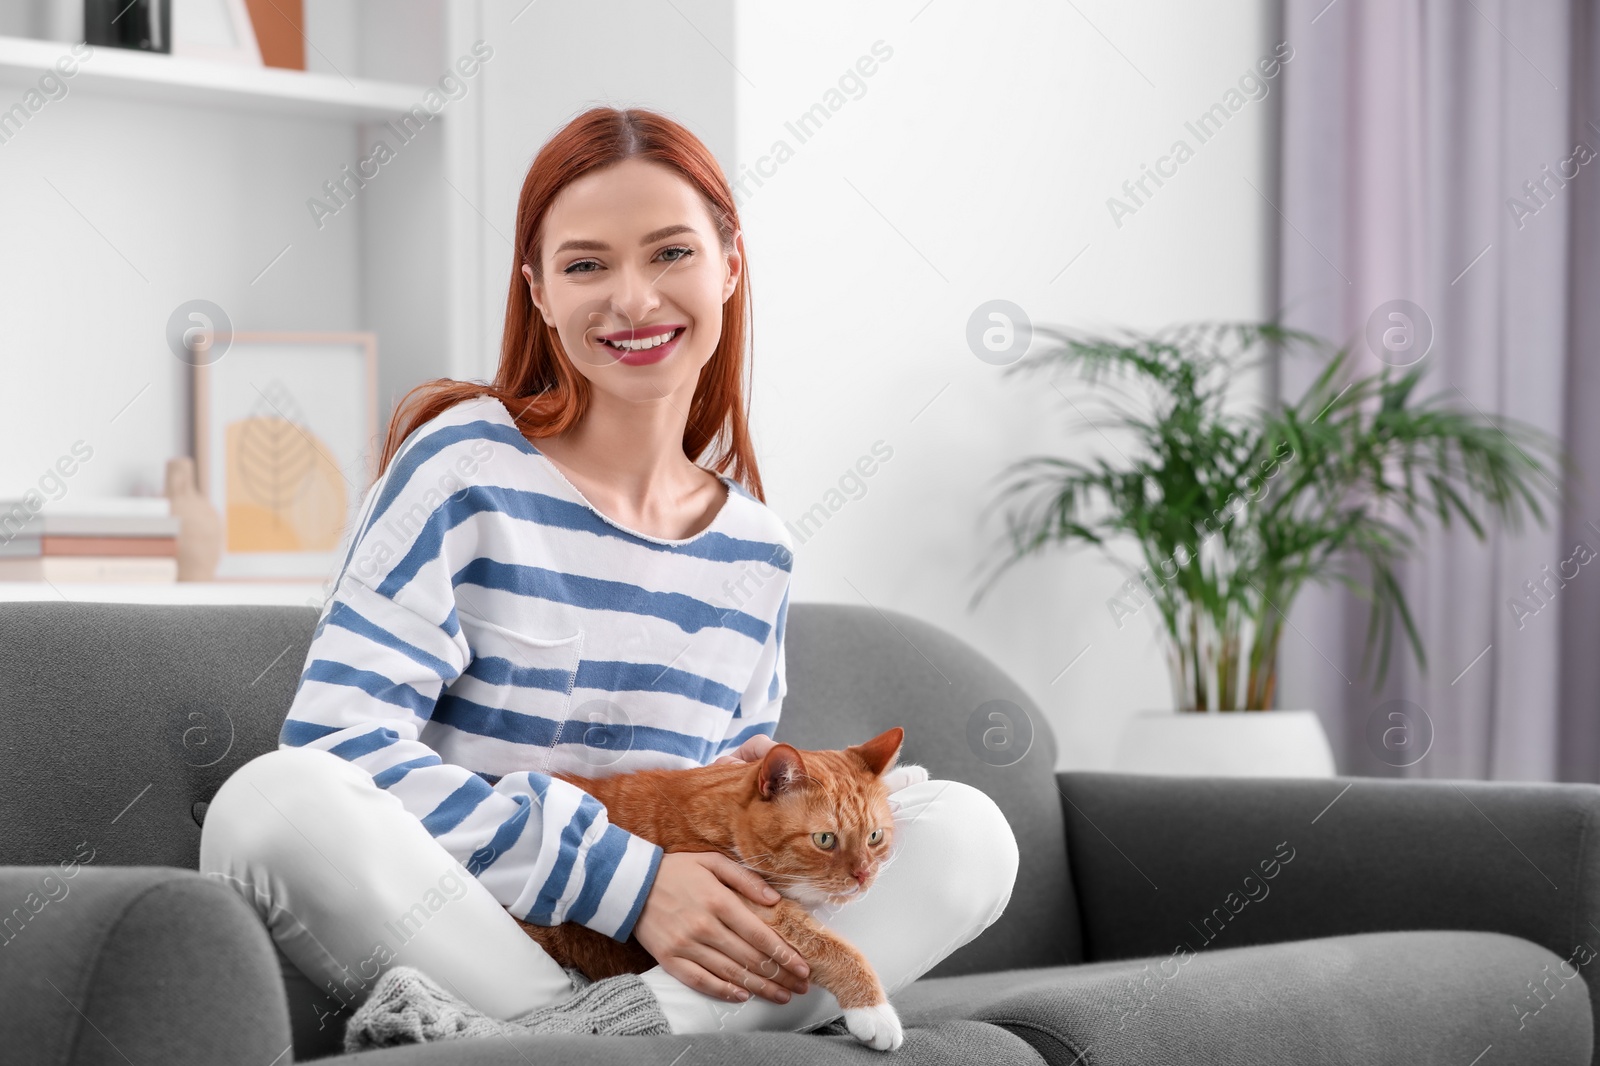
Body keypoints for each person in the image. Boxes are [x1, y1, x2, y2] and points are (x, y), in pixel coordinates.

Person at [199, 105, 1019, 1045]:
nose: (634, 300)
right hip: (465, 926)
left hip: (658, 969)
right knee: (270, 803)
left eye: (671, 254)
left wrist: (778, 799)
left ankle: (554, 1048)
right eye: (587, 265)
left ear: (730, 267)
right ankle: (629, 1044)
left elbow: (730, 810)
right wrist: (629, 886)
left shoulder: (758, 551)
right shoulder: (462, 469)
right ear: (540, 293)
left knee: (967, 832)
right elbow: (342, 746)